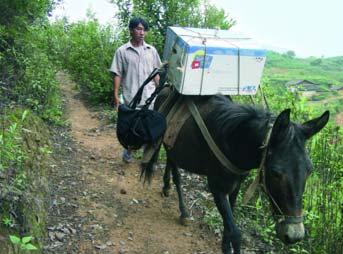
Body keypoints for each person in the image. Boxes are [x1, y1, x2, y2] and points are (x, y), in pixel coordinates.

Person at [109, 17, 162, 163]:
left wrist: (160, 90)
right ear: (131, 30)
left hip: (150, 96)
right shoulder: (122, 51)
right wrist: (115, 94)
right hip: (131, 95)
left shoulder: (151, 51)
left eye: (144, 30)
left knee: (148, 125)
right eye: (139, 29)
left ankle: (148, 156)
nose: (142, 32)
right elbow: (117, 73)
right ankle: (129, 150)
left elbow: (156, 73)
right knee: (132, 126)